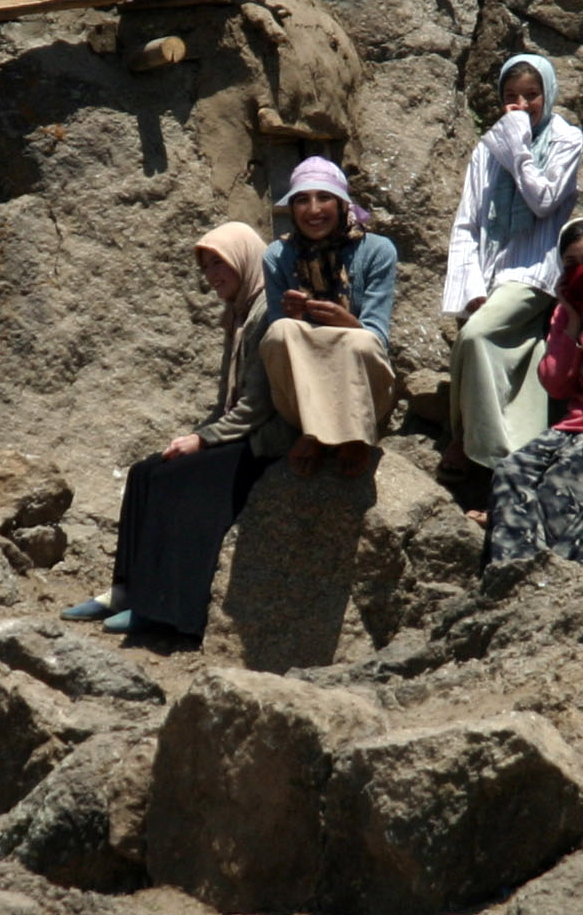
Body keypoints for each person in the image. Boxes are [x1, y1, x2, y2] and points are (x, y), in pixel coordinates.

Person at [63, 223, 280, 638]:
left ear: (246, 260)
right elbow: (227, 402)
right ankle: (126, 589)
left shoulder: (265, 313)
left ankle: (163, 610)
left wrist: (205, 439)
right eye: (207, 266)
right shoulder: (236, 313)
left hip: (263, 441)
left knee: (180, 479)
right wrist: (201, 432)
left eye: (221, 262)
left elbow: (259, 404)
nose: (213, 275)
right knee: (146, 471)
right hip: (238, 432)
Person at [440, 54, 583, 482]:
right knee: (514, 358)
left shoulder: (565, 138)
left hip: (535, 272)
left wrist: (518, 144)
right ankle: (514, 456)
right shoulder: (488, 147)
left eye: (531, 95)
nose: (520, 105)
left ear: (548, 95)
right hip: (493, 273)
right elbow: (468, 219)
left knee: (475, 334)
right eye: (510, 97)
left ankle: (473, 444)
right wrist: (471, 287)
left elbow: (544, 200)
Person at [483, 218, 583, 566]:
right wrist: (571, 322)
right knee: (511, 470)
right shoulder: (564, 310)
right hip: (573, 425)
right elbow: (556, 384)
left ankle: (557, 570)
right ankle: (514, 568)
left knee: (563, 479)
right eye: (571, 264)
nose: (581, 271)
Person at [260, 157, 400, 477]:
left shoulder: (377, 251)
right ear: (291, 210)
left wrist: (345, 321)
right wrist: (294, 316)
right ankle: (312, 431)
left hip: (361, 383)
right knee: (281, 332)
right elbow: (278, 338)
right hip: (308, 382)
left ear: (341, 204)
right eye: (301, 200)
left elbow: (378, 336)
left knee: (360, 342)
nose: (313, 210)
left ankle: (355, 435)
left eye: (324, 198)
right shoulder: (277, 256)